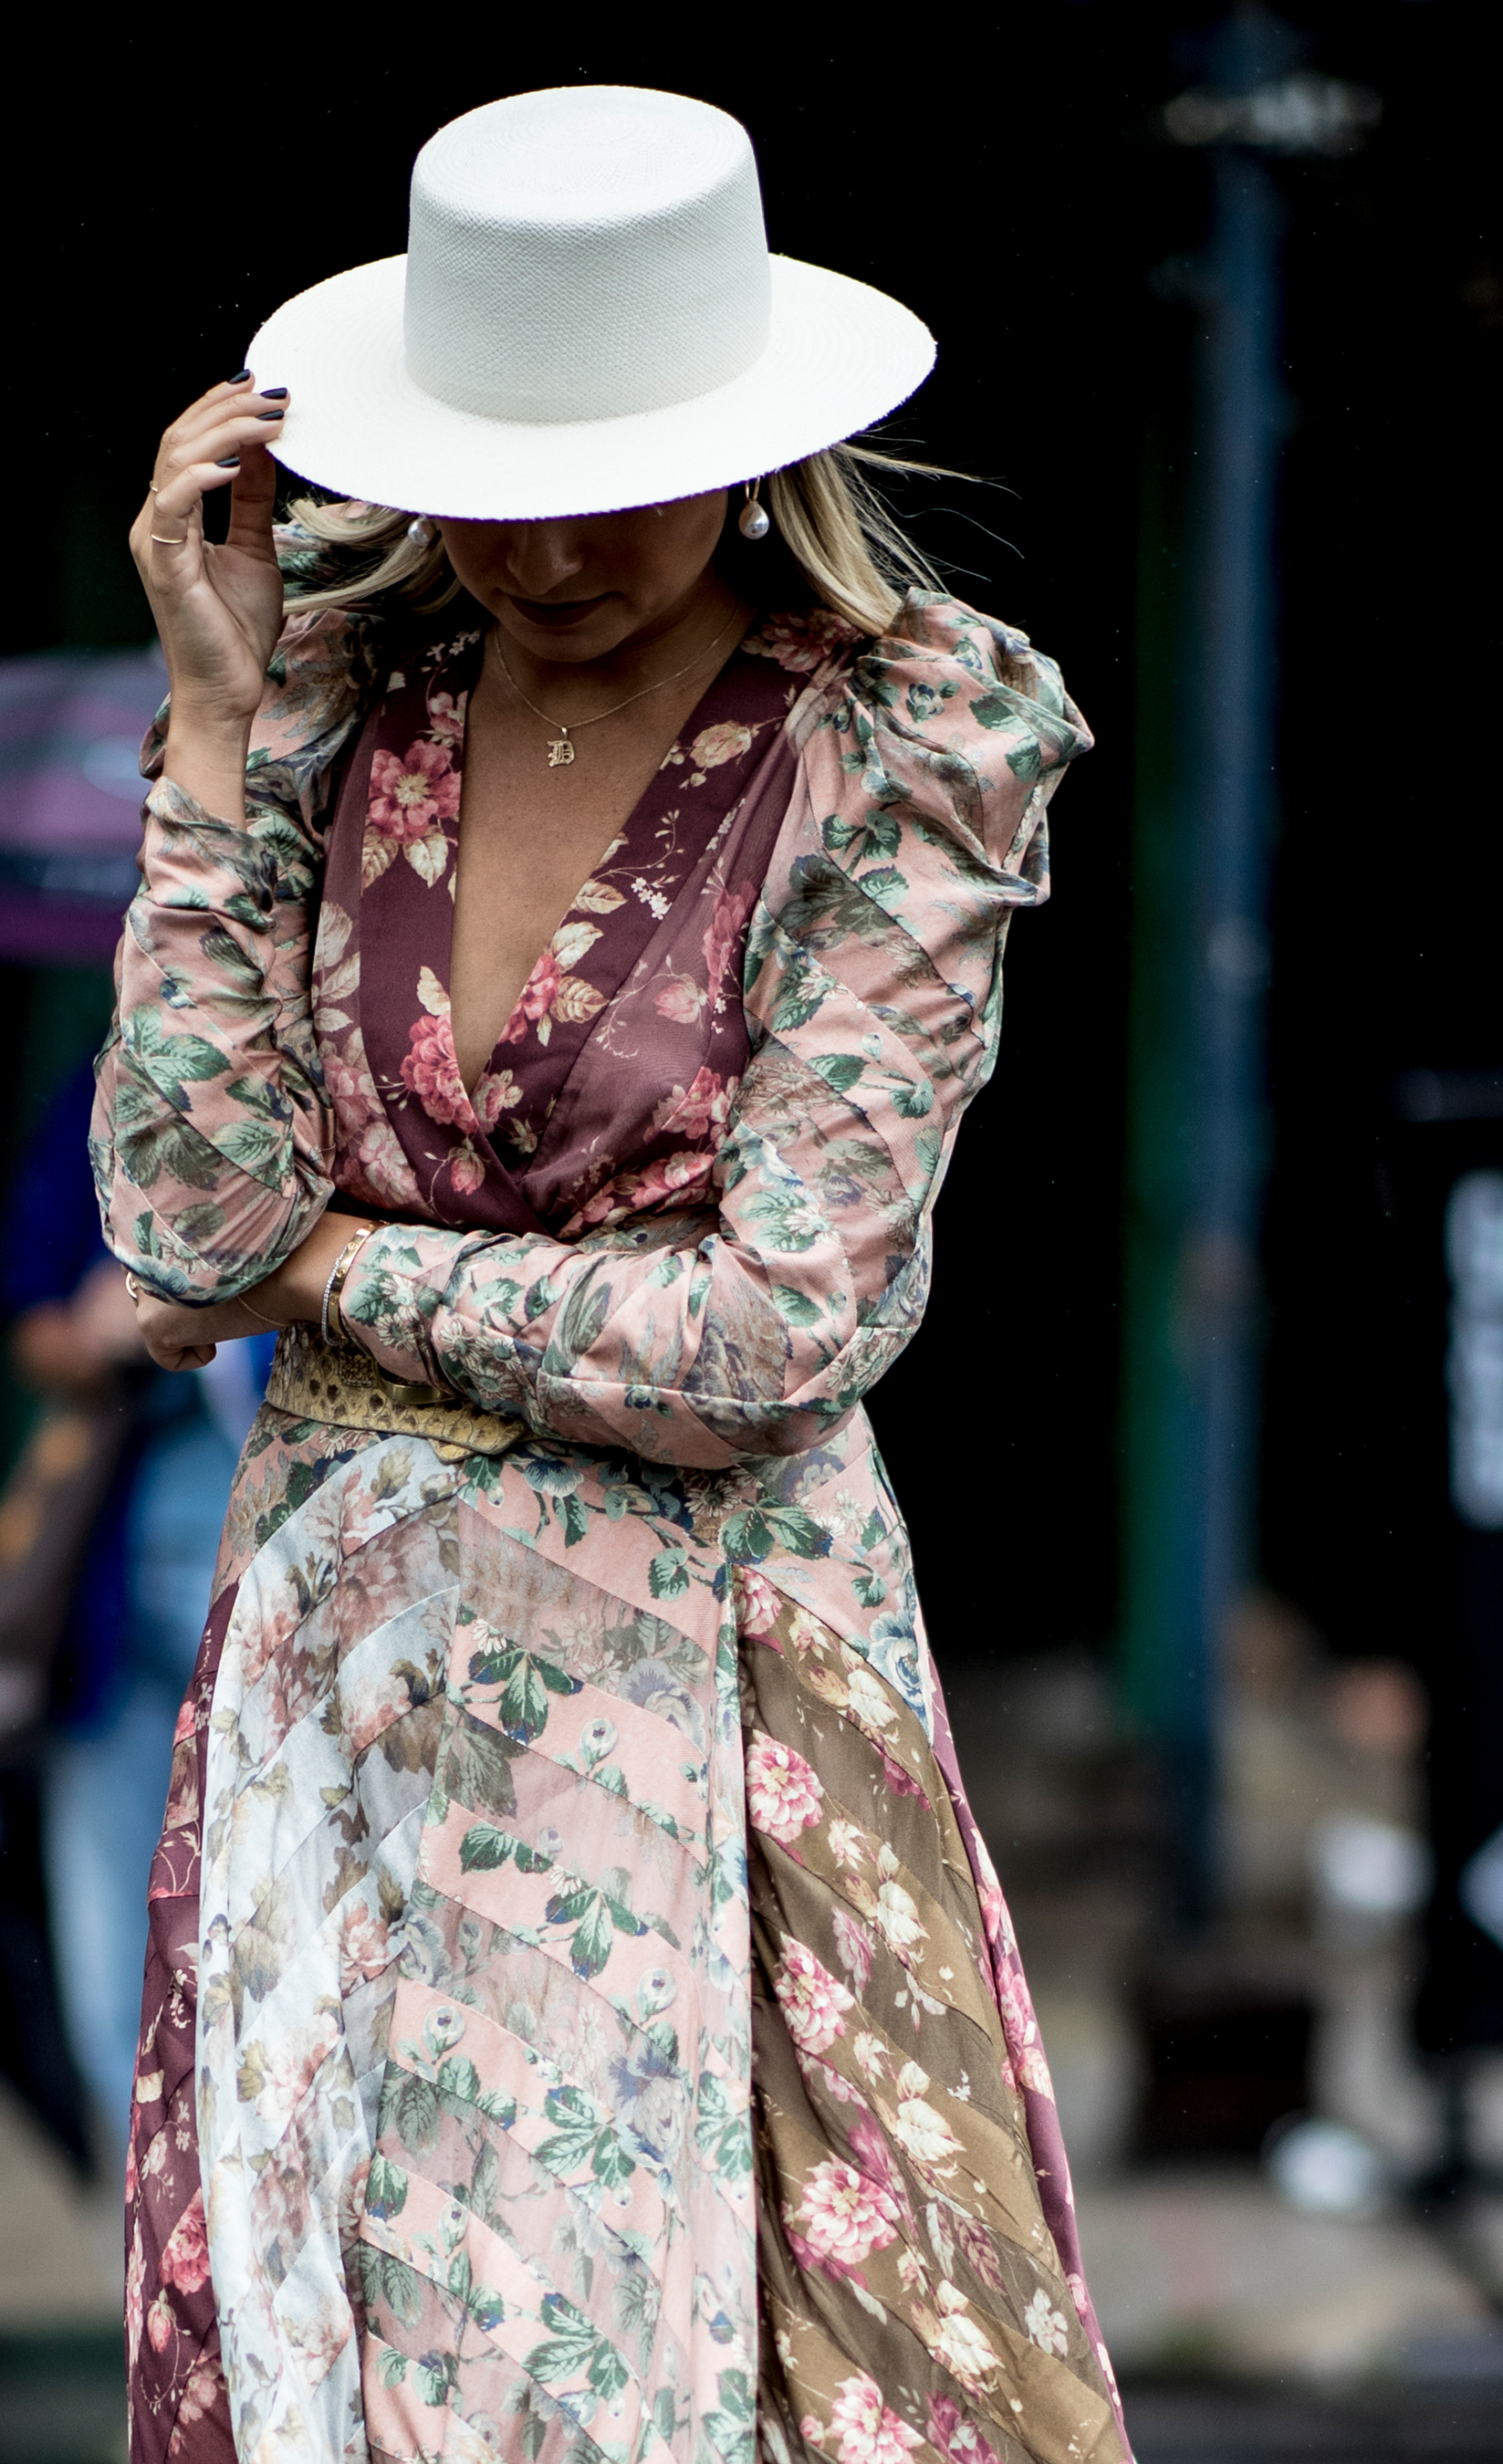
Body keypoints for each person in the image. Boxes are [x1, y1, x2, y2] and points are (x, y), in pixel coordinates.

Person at [96, 85, 1126, 2464]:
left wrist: (335, 1271)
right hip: (340, 1681)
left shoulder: (902, 730)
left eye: (621, 477)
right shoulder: (332, 692)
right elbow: (180, 1216)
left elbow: (776, 1334)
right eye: (501, 478)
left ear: (751, 447)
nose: (553, 546)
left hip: (707, 1679)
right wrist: (216, 726)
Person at [4, 1062, 271, 2161]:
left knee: (264, 1963)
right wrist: (107, 1327)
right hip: (112, 1615)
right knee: (116, 1980)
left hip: (282, 1607)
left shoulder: (342, 1069)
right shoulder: (113, 1084)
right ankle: (143, 2257)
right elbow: (33, 1318)